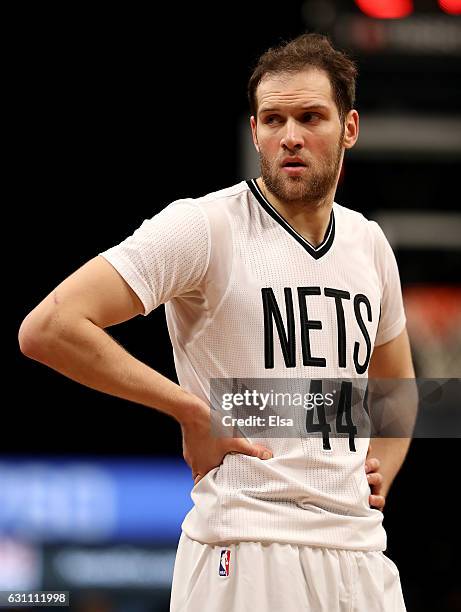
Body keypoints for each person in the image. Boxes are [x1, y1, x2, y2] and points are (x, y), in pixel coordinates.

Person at [18, 33, 414, 611]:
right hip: (245, 545)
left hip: (360, 553)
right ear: (254, 132)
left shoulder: (370, 242)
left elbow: (395, 389)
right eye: (273, 120)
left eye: (310, 117)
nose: (291, 136)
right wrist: (192, 409)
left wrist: (386, 465)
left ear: (349, 127)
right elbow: (49, 327)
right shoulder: (205, 226)